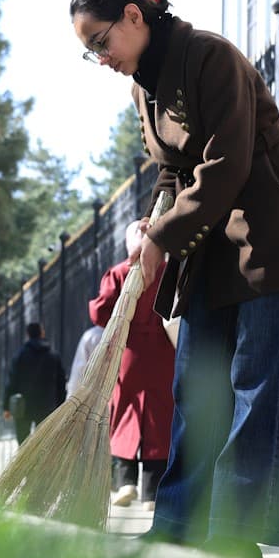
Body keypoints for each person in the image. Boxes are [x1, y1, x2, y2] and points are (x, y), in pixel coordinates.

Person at [69, 0, 279, 558]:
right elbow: (172, 171)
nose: (101, 57)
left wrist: (164, 236)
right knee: (195, 388)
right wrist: (150, 227)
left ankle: (235, 536)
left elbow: (225, 163)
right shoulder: (145, 86)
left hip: (268, 242)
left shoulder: (210, 56)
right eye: (91, 50)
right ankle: (180, 526)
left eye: (101, 41)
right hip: (209, 248)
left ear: (135, 17)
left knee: (255, 388)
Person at [89, 219, 173, 511]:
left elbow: (100, 313)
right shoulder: (167, 272)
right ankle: (152, 492)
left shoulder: (119, 273)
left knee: (125, 413)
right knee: (160, 418)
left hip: (129, 353)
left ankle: (125, 482)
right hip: (164, 353)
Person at [2, 322, 66, 444]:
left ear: (27, 334)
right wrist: (60, 405)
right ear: (42, 333)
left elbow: (11, 381)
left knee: (23, 443)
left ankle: (25, 463)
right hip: (47, 405)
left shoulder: (20, 355)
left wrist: (6, 406)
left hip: (23, 406)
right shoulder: (53, 356)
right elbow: (61, 384)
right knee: (43, 443)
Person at [66, 323, 104, 398]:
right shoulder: (130, 334)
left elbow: (79, 372)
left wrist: (71, 400)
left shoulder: (92, 336)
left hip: (95, 399)